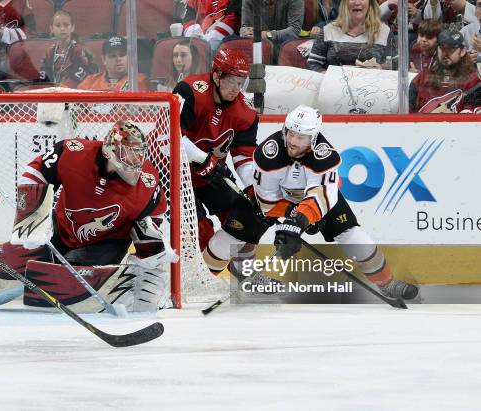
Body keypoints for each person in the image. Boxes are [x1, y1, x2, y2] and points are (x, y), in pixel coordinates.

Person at [0, 120, 175, 313]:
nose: (135, 162)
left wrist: (153, 266)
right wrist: (32, 218)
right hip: (60, 230)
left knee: (70, 278)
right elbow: (35, 172)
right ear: (109, 149)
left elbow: (148, 230)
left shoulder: (148, 183)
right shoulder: (73, 153)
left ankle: (128, 290)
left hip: (106, 243)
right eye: (128, 153)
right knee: (6, 263)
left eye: (138, 155)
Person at [205, 104, 420, 300]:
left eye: (301, 137)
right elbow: (266, 201)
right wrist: (291, 219)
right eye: (290, 133)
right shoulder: (269, 153)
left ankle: (387, 283)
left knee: (354, 235)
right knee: (232, 235)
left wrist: (300, 221)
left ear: (313, 137)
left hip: (314, 203)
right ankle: (202, 280)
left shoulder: (324, 156)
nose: (292, 141)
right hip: (274, 200)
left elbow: (323, 197)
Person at [172, 48, 260, 271]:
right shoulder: (189, 91)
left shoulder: (246, 113)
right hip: (175, 174)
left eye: (241, 82)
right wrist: (203, 159)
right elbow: (171, 136)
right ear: (216, 75)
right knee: (199, 228)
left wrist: (252, 186)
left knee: (248, 219)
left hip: (210, 174)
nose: (237, 89)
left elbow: (244, 155)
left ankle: (244, 276)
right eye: (232, 81)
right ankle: (207, 277)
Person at [307, 0, 393, 72]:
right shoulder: (328, 30)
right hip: (335, 88)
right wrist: (329, 78)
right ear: (345, 3)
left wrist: (381, 70)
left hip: (371, 88)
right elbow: (313, 64)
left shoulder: (384, 31)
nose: (357, 2)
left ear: (370, 3)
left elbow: (394, 66)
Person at [410, 28, 480, 113]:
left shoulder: (472, 81)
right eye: (442, 49)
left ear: (462, 51)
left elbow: (471, 116)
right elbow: (408, 110)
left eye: (450, 50)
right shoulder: (422, 77)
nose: (445, 54)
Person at [39, 10, 97, 88]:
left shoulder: (78, 50)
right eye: (58, 25)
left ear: (72, 27)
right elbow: (44, 73)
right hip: (53, 92)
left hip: (74, 92)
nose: (62, 28)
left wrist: (62, 88)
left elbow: (81, 74)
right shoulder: (49, 51)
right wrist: (47, 88)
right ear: (51, 29)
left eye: (66, 25)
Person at [77, 36, 151, 92]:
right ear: (104, 59)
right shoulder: (90, 82)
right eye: (112, 56)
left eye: (122, 55)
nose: (118, 59)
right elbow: (75, 107)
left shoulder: (140, 80)